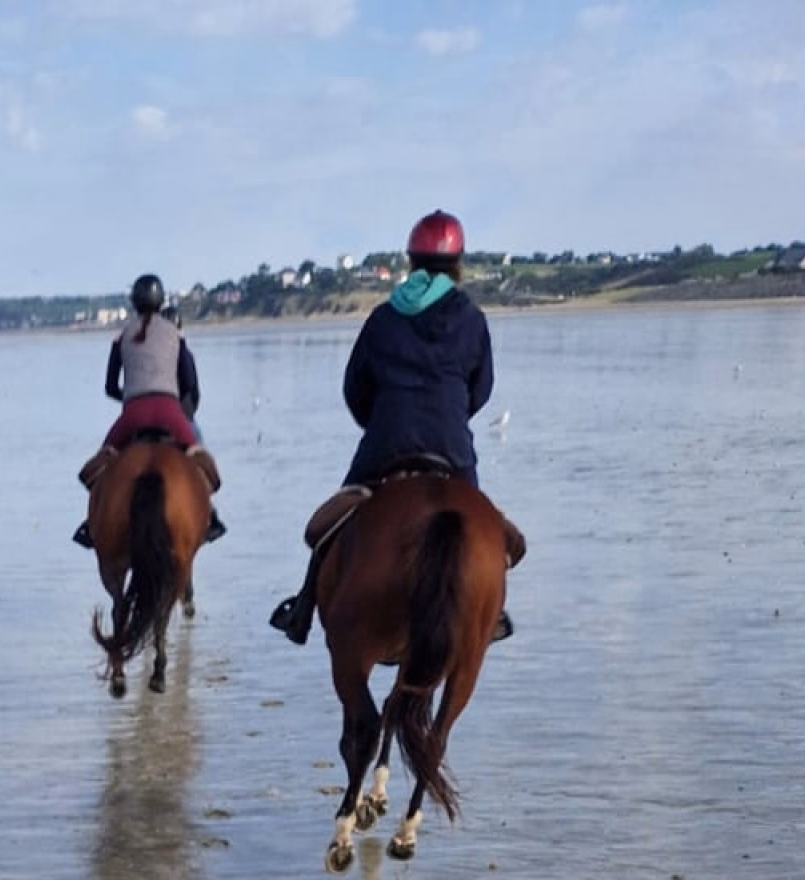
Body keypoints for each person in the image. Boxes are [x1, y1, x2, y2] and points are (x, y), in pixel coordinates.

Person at [269, 211, 521, 643]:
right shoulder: (472, 318)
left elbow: (354, 388)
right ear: (459, 262)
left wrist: (380, 424)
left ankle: (304, 605)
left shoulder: (383, 318)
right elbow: (481, 389)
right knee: (493, 538)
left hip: (383, 447)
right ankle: (491, 615)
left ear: (410, 261)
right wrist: (452, 421)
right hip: (452, 450)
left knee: (326, 533)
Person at [74, 272, 226, 548]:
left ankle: (90, 524)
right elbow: (188, 379)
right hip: (171, 412)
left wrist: (131, 398)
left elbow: (110, 387)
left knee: (92, 471)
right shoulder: (175, 333)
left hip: (133, 413)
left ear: (134, 301)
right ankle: (211, 518)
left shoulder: (121, 336)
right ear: (160, 301)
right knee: (208, 470)